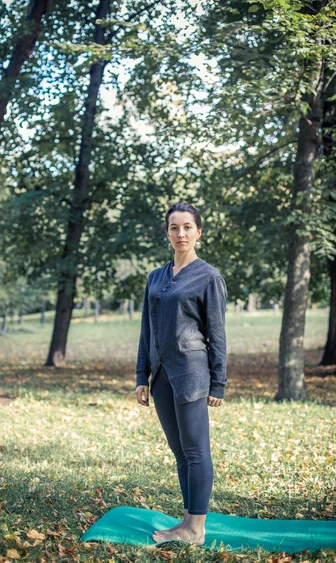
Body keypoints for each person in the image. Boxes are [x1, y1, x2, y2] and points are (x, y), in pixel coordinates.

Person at [135, 202, 228, 546]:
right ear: (167, 233)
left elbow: (217, 332)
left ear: (198, 233)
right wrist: (141, 375)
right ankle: (188, 521)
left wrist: (218, 381)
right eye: (174, 227)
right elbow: (147, 328)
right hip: (160, 376)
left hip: (191, 374)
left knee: (196, 451)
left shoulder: (208, 276)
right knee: (179, 452)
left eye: (187, 227)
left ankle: (196, 530)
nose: (181, 233)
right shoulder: (156, 278)